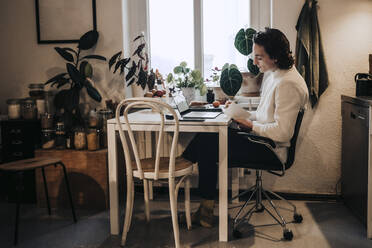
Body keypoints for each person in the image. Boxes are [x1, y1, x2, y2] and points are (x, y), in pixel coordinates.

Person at [181, 28, 309, 228]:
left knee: (207, 143)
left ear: (274, 57)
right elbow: (266, 115)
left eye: (259, 57)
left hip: (271, 149)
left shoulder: (288, 84)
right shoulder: (275, 74)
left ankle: (183, 169)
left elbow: (283, 132)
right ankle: (201, 201)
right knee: (207, 139)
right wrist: (239, 113)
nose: (255, 62)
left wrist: (250, 125)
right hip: (263, 140)